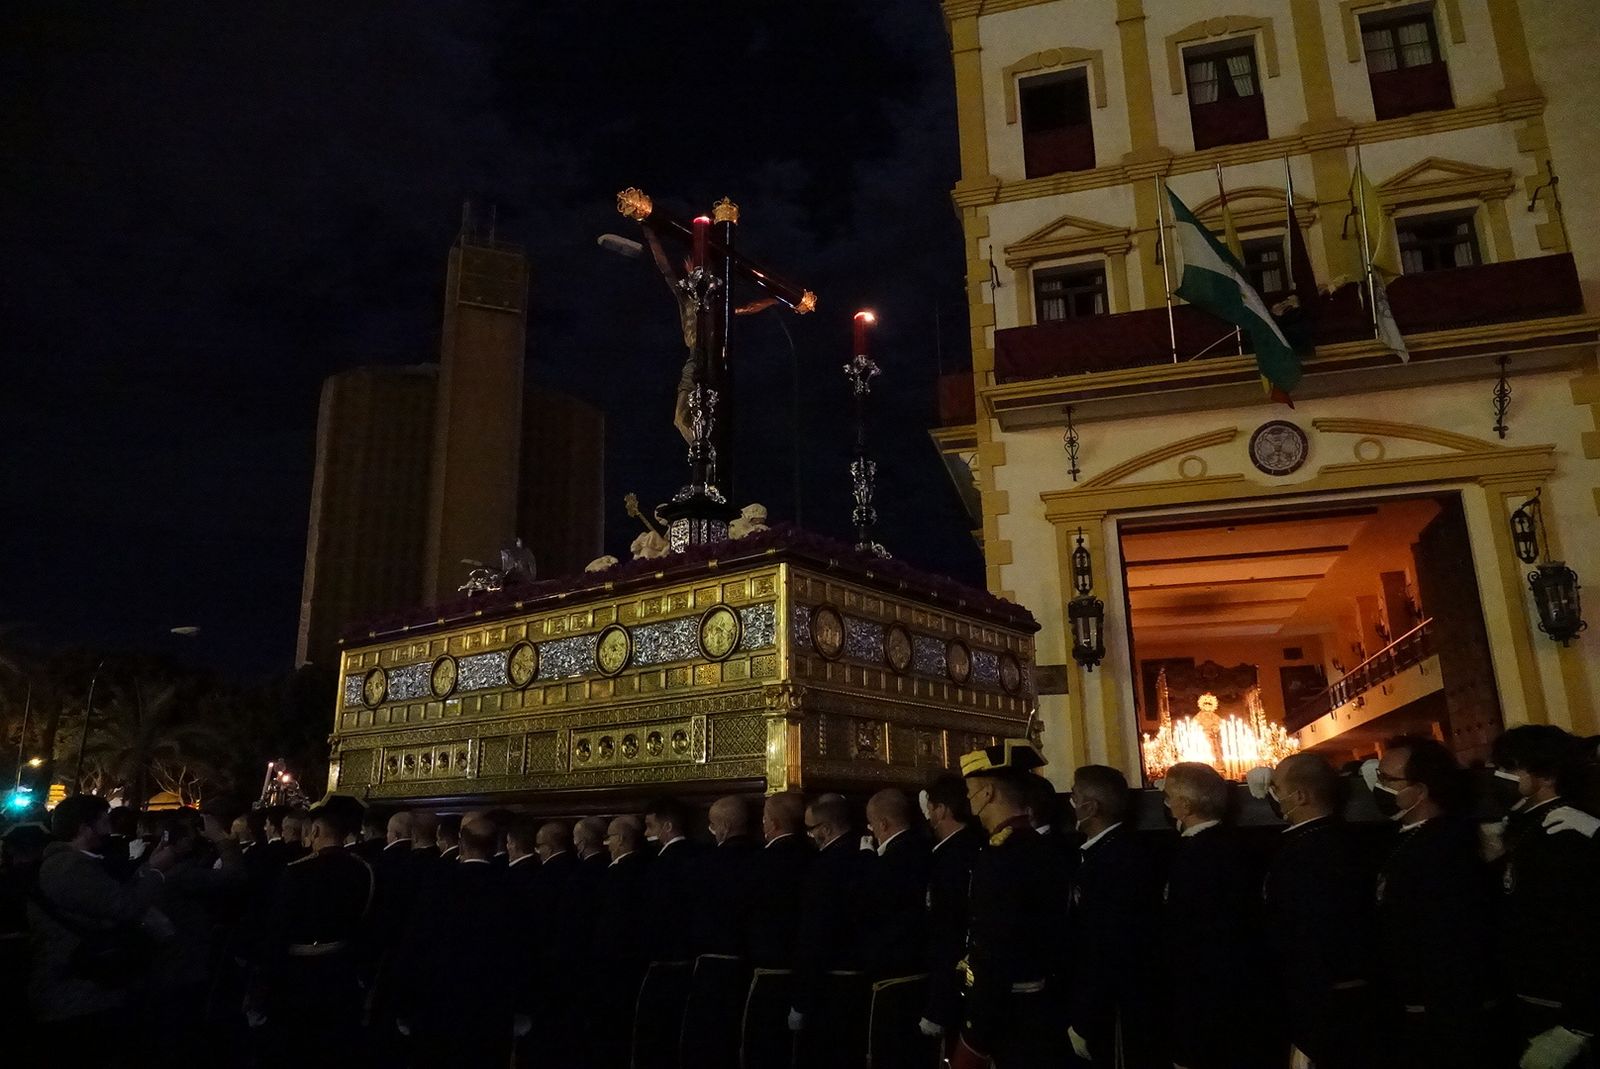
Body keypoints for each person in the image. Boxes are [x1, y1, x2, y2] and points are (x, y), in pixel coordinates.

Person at [1366, 736, 1503, 1068]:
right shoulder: (1408, 837)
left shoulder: (1447, 847)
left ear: (1421, 791)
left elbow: (1453, 938)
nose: (1378, 786)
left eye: (1387, 779)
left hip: (1446, 1014)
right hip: (1417, 1008)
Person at [949, 740, 1073, 1069]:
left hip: (1010, 1015)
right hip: (1044, 1009)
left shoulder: (1003, 856)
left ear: (988, 793)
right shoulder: (1041, 847)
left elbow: (996, 949)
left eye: (970, 789)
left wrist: (974, 1038)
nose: (968, 798)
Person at [29, 793, 175, 1053]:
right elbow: (125, 906)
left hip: (83, 986)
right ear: (85, 829)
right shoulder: (70, 867)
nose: (111, 828)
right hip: (79, 990)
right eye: (104, 821)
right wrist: (154, 871)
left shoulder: (73, 863)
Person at [1492, 725, 1600, 1069]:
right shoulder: (1527, 823)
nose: (1501, 776)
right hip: (1531, 998)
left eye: (1511, 767)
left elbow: (1585, 931)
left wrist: (1579, 1025)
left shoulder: (1566, 829)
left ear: (1547, 774)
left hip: (1563, 1005)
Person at [1263, 752, 1379, 1069]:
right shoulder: (1344, 841)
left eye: (1275, 786)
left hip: (1324, 1008)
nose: (1271, 795)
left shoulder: (1306, 854)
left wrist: (1307, 1033)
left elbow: (1307, 942)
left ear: (1299, 796)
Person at [1160, 762, 1272, 1069]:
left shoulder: (1192, 856)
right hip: (1246, 998)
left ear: (1184, 804)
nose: (1166, 803)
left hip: (1207, 1004)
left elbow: (1191, 943)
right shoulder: (1237, 845)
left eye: (1168, 796)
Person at [395, 811, 521, 1066]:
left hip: (438, 1004)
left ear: (461, 843)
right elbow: (523, 953)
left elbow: (415, 945)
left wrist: (404, 1003)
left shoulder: (437, 885)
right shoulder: (511, 889)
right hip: (492, 1007)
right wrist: (521, 1007)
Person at [251, 804, 372, 1060]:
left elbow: (279, 929)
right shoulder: (363, 870)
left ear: (316, 831)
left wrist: (263, 984)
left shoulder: (297, 871)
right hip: (341, 970)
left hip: (299, 974)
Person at [1066, 764, 1165, 1068]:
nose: (1070, 802)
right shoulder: (1104, 852)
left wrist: (1086, 1018)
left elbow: (1107, 947)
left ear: (1091, 807)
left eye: (1074, 795)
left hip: (1117, 1008)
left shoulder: (1117, 860)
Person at [791, 793, 872, 1069]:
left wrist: (802, 999)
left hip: (830, 986)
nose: (809, 835)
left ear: (826, 830)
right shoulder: (867, 855)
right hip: (865, 981)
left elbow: (814, 936)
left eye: (810, 829)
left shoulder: (823, 869)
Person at [919, 773, 982, 1042]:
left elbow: (949, 932)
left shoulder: (952, 860)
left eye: (931, 808)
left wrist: (939, 1005)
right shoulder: (967, 848)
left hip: (958, 984)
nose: (928, 815)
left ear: (942, 810)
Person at [591, 815, 650, 1069]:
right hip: (640, 964)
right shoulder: (648, 868)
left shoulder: (616, 875)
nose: (607, 844)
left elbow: (608, 927)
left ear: (623, 839)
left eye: (610, 838)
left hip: (614, 967)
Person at [863, 788, 930, 977]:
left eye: (871, 824)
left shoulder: (887, 861)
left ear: (882, 824)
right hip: (924, 958)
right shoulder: (927, 848)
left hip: (893, 963)